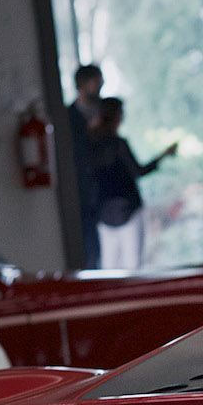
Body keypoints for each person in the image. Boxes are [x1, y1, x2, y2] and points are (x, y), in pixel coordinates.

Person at [87, 97, 176, 271]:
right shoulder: (117, 144)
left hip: (104, 212)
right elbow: (138, 171)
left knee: (109, 268)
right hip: (127, 210)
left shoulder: (91, 145)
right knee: (132, 267)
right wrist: (163, 156)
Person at [65, 65, 104, 269]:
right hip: (81, 192)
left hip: (102, 193)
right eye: (96, 82)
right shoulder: (68, 117)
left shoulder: (104, 114)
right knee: (89, 251)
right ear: (82, 84)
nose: (100, 86)